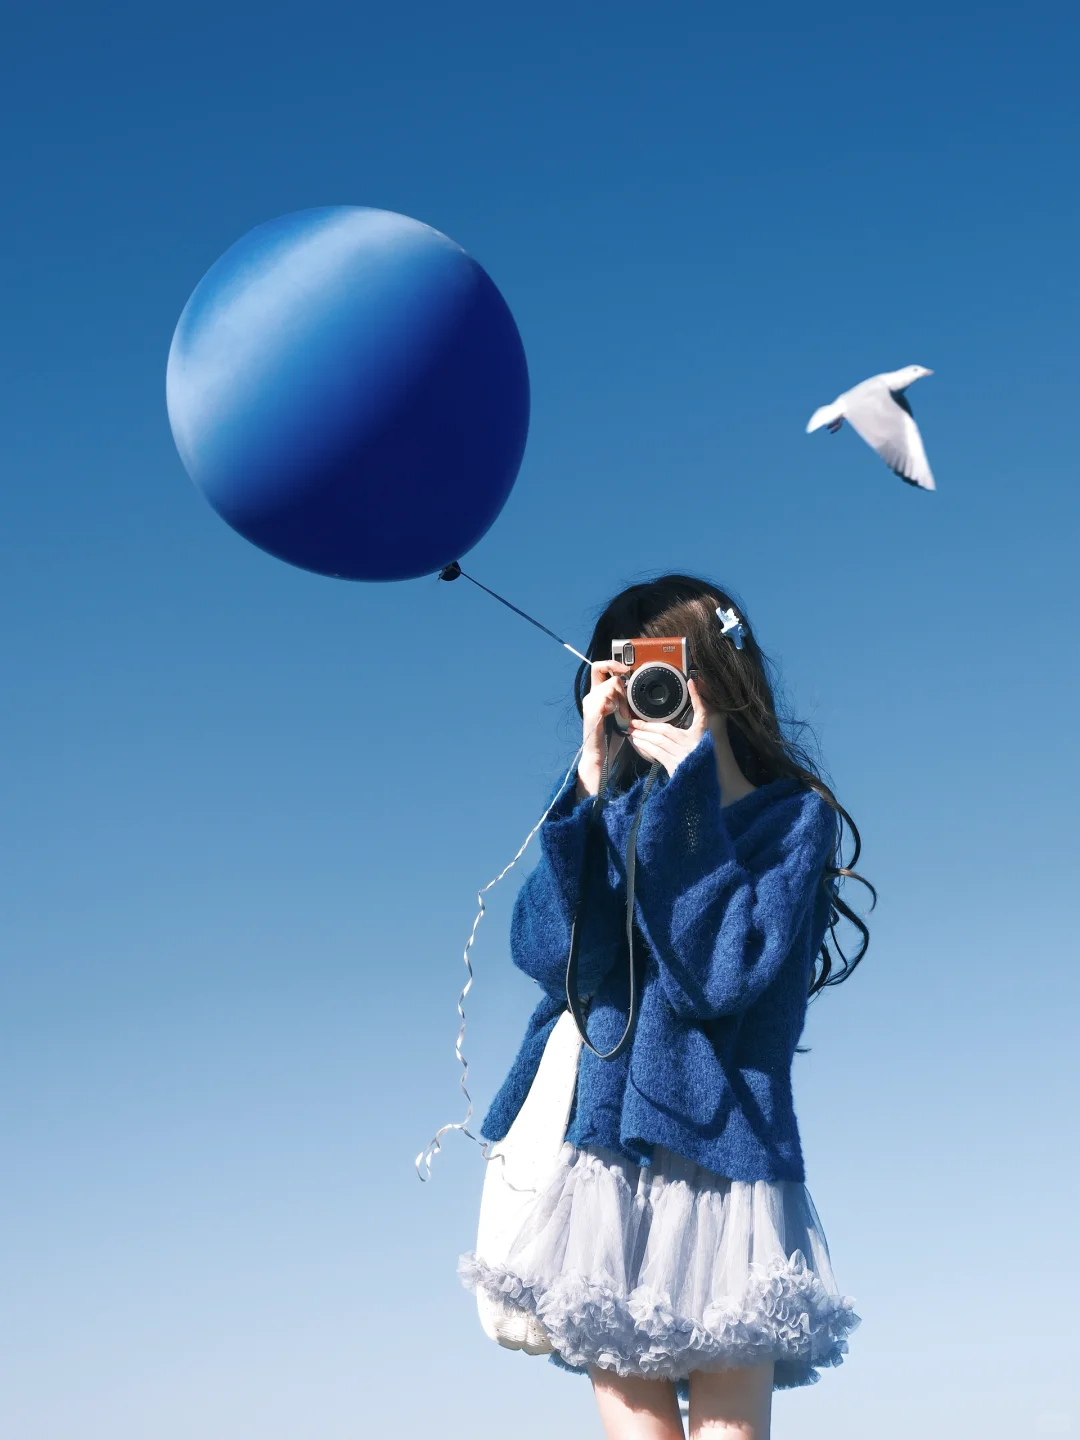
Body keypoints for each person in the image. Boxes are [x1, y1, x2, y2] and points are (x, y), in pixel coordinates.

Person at [460, 575, 872, 1440]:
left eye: (662, 665)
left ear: (716, 673)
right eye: (622, 672)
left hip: (725, 1165)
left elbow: (716, 975)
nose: (646, 689)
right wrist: (584, 789)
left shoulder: (793, 821)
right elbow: (551, 959)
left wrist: (687, 796)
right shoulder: (614, 811)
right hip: (605, 1159)